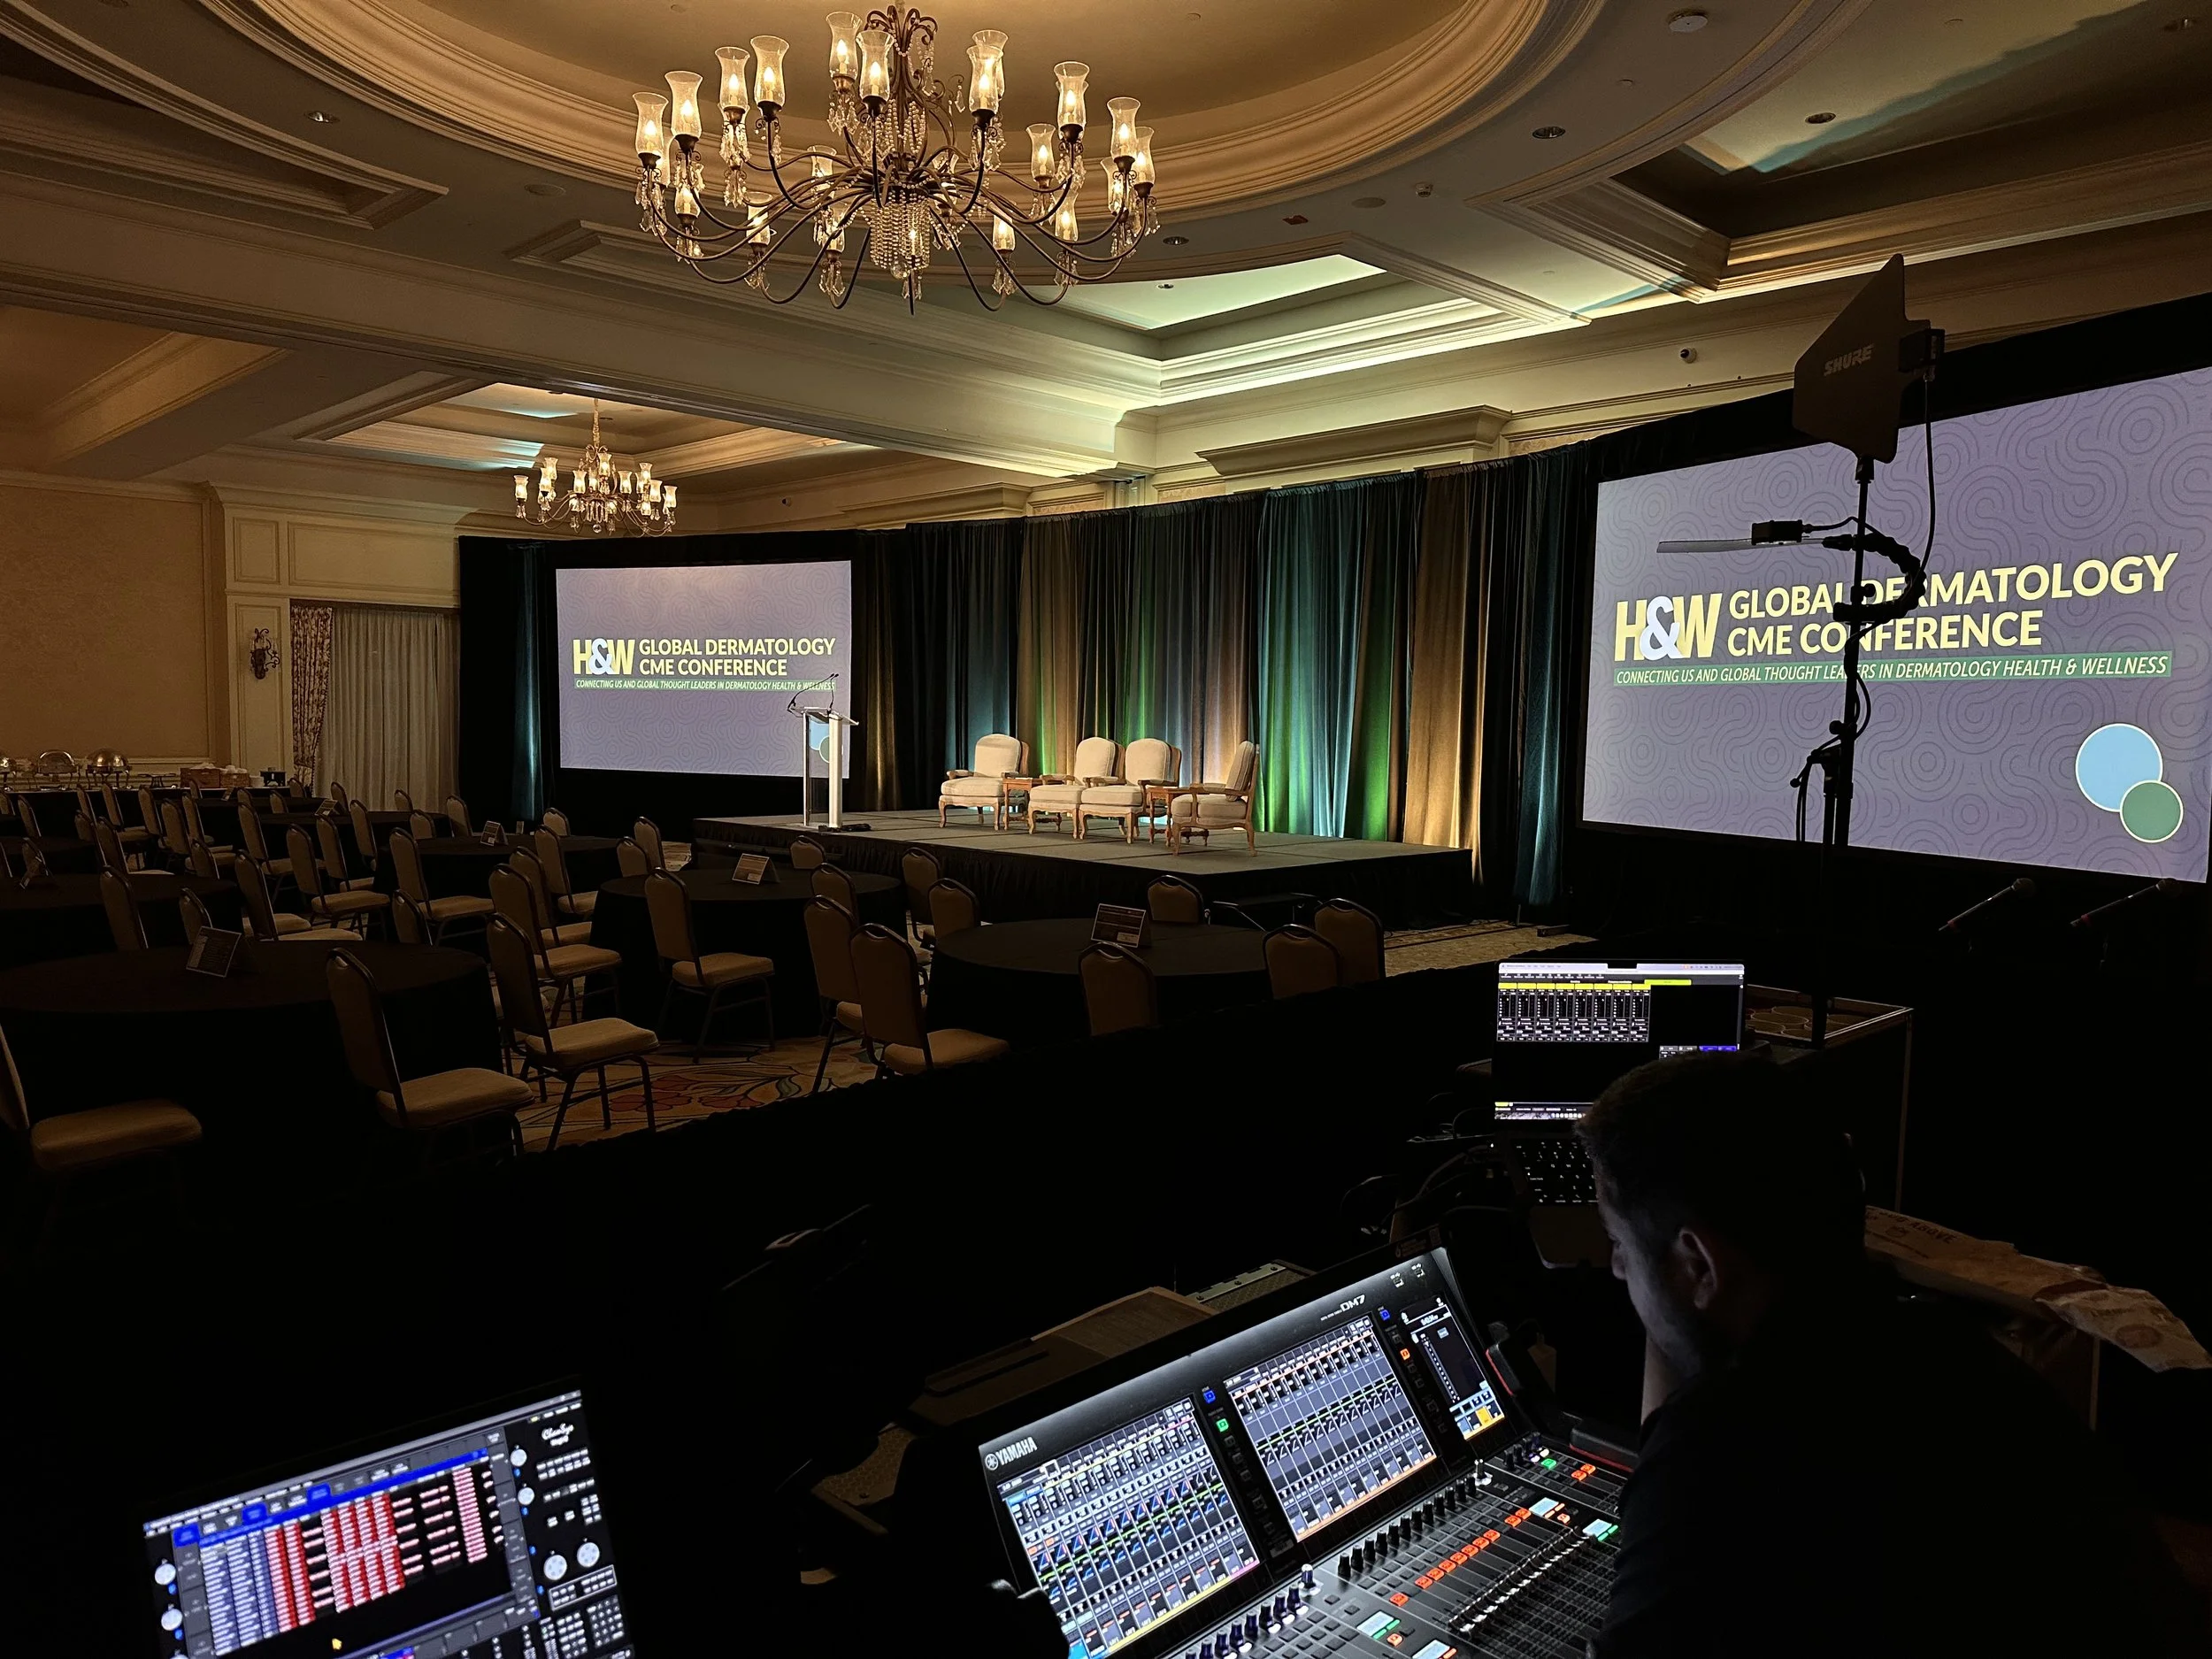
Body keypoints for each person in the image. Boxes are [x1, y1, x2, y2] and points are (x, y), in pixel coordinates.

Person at [1577, 1050, 2200, 1657]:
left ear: (1701, 1262)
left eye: (1620, 1243)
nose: (1616, 1267)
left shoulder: (1723, 1449)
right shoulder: (1950, 1353)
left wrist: (1670, 1302)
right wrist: (1671, 1284)